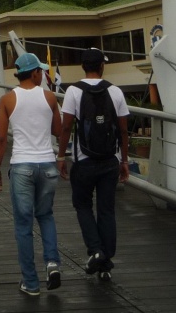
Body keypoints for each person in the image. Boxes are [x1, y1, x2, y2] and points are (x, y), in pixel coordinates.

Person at [0, 52, 63, 297]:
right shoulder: (50, 97)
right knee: (46, 216)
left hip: (22, 165)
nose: (42, 74)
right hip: (47, 165)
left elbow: (1, 138)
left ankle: (31, 283)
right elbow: (58, 130)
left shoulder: (7, 99)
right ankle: (52, 262)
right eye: (40, 71)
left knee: (24, 225)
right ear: (34, 73)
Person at [56, 47, 130, 282]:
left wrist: (61, 156)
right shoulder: (115, 91)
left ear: (82, 66)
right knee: (107, 210)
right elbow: (123, 131)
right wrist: (124, 160)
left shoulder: (73, 91)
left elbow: (66, 127)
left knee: (83, 206)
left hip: (84, 160)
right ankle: (106, 263)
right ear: (101, 66)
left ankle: (96, 250)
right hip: (110, 160)